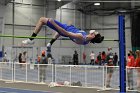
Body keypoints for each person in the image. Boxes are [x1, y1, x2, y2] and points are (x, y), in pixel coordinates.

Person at [22, 17, 104, 48]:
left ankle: (31, 39)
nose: (94, 31)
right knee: (59, 32)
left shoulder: (81, 37)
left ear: (93, 36)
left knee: (42, 20)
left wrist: (53, 23)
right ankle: (50, 43)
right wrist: (70, 25)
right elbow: (91, 33)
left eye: (95, 33)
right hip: (67, 27)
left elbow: (66, 33)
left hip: (64, 29)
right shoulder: (86, 39)